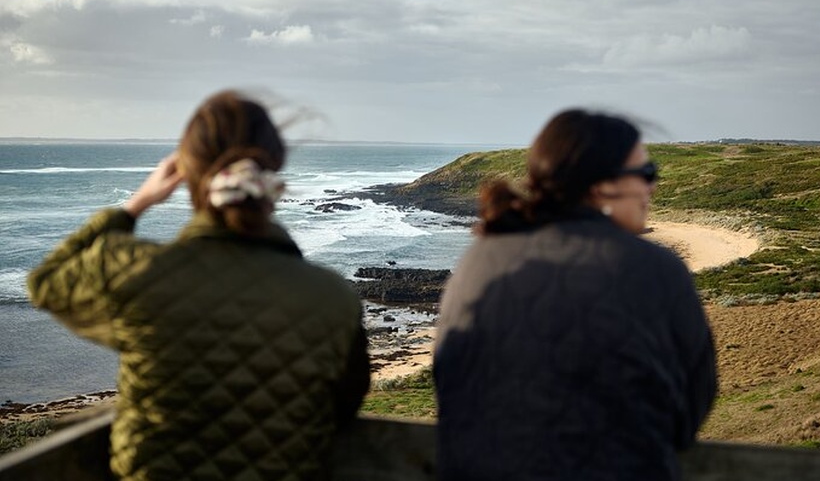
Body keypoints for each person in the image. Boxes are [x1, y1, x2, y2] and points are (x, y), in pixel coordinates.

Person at [28, 90, 370, 481]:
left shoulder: (136, 271)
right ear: (271, 171)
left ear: (186, 171)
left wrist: (134, 205)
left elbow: (46, 282)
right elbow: (343, 405)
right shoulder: (333, 298)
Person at [434, 109, 717, 481]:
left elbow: (448, 379)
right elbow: (691, 408)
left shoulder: (480, 257)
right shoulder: (655, 268)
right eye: (646, 174)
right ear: (602, 185)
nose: (652, 188)